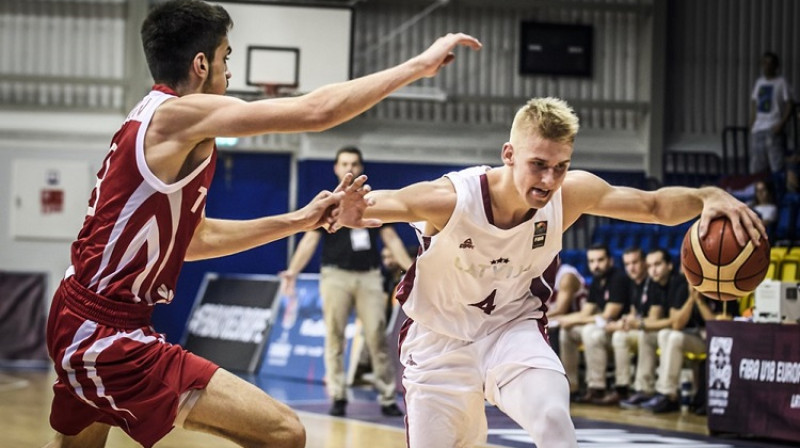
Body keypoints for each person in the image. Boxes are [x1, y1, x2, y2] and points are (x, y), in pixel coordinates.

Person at [42, 1, 481, 447]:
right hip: (104, 332)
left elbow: (193, 240)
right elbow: (317, 112)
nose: (229, 72)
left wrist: (300, 219)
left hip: (85, 314)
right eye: (225, 57)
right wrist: (419, 66)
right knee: (284, 434)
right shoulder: (176, 116)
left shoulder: (153, 120)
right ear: (200, 64)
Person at [333, 97, 765, 447]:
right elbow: (389, 203)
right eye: (538, 164)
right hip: (439, 342)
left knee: (555, 421)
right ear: (509, 154)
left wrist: (708, 195)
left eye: (560, 166)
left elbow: (652, 206)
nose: (549, 179)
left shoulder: (568, 194)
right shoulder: (453, 198)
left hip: (510, 330)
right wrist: (355, 210)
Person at [280, 146, 414, 417]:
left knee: (377, 334)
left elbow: (390, 239)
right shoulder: (328, 202)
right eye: (344, 163)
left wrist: (412, 269)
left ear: (361, 167)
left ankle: (388, 397)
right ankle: (338, 396)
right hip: (335, 275)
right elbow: (310, 239)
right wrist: (293, 271)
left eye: (354, 163)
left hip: (369, 276)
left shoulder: (371, 200)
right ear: (336, 168)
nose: (349, 167)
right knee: (335, 336)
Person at [640, 287, 737, 414]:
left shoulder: (721, 291)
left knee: (675, 338)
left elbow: (717, 327)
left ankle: (669, 395)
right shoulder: (680, 287)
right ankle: (664, 392)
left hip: (714, 341)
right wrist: (691, 299)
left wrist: (700, 301)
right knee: (664, 334)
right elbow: (676, 324)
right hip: (693, 334)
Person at [555, 244, 629, 405]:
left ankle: (597, 387)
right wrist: (564, 320)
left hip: (619, 327)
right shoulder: (597, 280)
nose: (596, 265)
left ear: (610, 260)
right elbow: (586, 312)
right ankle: (571, 386)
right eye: (592, 261)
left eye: (600, 260)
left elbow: (609, 314)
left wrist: (572, 319)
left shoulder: (618, 278)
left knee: (590, 331)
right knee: (567, 331)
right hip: (605, 327)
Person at [615, 248, 675, 409]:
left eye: (635, 263)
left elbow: (658, 317)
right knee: (621, 336)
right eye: (627, 264)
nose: (631, 268)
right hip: (657, 329)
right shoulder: (634, 283)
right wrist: (628, 321)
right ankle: (624, 388)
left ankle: (655, 391)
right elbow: (635, 312)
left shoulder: (657, 283)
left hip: (671, 330)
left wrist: (636, 323)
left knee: (647, 334)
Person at [750, 52, 794, 179]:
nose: (767, 66)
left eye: (770, 63)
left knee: (776, 164)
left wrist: (781, 123)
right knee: (757, 166)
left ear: (776, 66)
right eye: (764, 63)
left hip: (773, 128)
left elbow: (789, 103)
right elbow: (754, 101)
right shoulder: (759, 82)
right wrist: (752, 121)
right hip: (758, 129)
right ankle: (758, 195)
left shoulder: (781, 82)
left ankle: (777, 194)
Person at [543, 260, 588, 356]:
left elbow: (561, 310)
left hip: (580, 316)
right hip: (564, 318)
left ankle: (555, 364)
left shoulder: (566, 276)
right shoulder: (541, 276)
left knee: (550, 325)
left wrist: (537, 317)